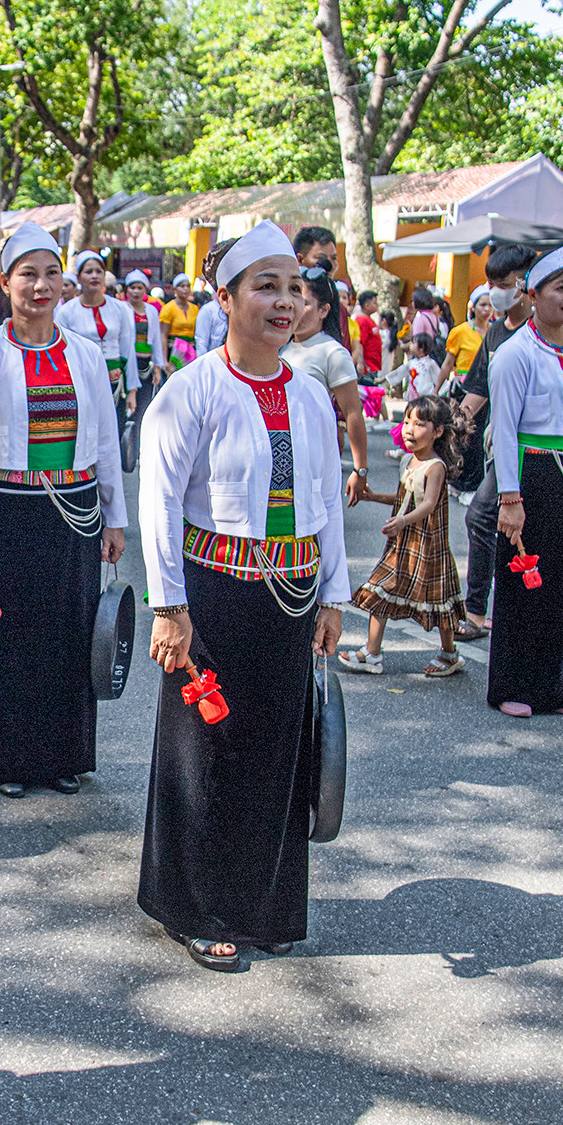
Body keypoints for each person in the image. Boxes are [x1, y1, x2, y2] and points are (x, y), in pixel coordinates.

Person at [136, 221, 346, 972]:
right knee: (208, 751)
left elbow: (324, 500)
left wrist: (332, 597)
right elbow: (157, 501)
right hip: (213, 595)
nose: (285, 301)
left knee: (278, 748)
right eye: (266, 285)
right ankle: (194, 905)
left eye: (295, 286)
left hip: (291, 594)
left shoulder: (313, 395)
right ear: (225, 298)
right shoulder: (190, 391)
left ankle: (264, 905)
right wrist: (169, 606)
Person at [0, 222, 127, 797]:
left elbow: (105, 443)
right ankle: (8, 761)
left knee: (72, 629)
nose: (41, 286)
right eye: (28, 274)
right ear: (6, 283)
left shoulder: (87, 357)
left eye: (51, 274)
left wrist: (115, 517)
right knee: (10, 632)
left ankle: (64, 756)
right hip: (8, 507)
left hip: (74, 508)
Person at [486, 248, 563, 718]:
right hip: (532, 478)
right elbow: (507, 429)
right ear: (532, 295)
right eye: (561, 288)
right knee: (525, 584)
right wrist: (509, 497)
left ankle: (556, 687)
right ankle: (513, 686)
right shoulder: (515, 354)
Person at [344, 394, 465, 677]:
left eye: (420, 423)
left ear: (438, 432)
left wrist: (402, 520)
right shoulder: (408, 461)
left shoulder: (434, 467)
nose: (409, 428)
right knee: (381, 590)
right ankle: (372, 653)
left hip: (427, 544)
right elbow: (404, 497)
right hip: (403, 544)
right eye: (407, 421)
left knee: (439, 600)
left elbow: (428, 504)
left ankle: (449, 654)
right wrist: (373, 497)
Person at [454, 245, 535, 639]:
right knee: (491, 521)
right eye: (490, 284)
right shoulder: (496, 333)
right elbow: (477, 389)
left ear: (525, 284)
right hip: (496, 446)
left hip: (534, 449)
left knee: (482, 517)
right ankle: (482, 611)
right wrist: (449, 431)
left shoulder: (542, 334)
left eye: (502, 284)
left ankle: (478, 612)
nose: (494, 293)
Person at [281, 266, 369, 506]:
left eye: (305, 303)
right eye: (293, 298)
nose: (295, 307)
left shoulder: (333, 353)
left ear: (324, 310)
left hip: (312, 457)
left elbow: (353, 412)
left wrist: (360, 469)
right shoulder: (281, 347)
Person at [58, 251, 139, 438]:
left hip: (115, 383)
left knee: (112, 434)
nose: (94, 276)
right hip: (81, 383)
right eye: (88, 272)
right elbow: (62, 353)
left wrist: (132, 390)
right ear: (78, 277)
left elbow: (128, 349)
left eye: (98, 271)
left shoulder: (121, 308)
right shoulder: (66, 312)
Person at [446, 285, 494, 496]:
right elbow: (448, 363)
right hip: (463, 389)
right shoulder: (460, 331)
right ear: (472, 307)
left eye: (490, 305)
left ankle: (470, 485)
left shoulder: (495, 331)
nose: (487, 309)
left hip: (487, 389)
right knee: (461, 435)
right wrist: (435, 388)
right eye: (483, 304)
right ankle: (458, 482)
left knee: (478, 440)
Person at [122, 271, 166, 409]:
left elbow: (156, 339)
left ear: (145, 290)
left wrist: (158, 367)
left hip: (146, 364)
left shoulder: (151, 310)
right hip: (127, 362)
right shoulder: (121, 309)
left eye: (139, 288)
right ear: (126, 289)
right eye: (132, 287)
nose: (136, 291)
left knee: (144, 404)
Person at [159, 275, 200, 372]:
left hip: (189, 352)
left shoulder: (195, 309)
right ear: (174, 290)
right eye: (182, 286)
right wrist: (164, 360)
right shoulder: (168, 308)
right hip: (173, 352)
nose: (186, 289)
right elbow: (163, 335)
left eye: (187, 286)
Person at [351, 289, 383, 380]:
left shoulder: (368, 319)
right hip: (367, 366)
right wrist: (360, 363)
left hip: (373, 365)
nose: (377, 305)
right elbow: (359, 343)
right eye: (375, 303)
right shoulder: (362, 320)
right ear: (367, 305)